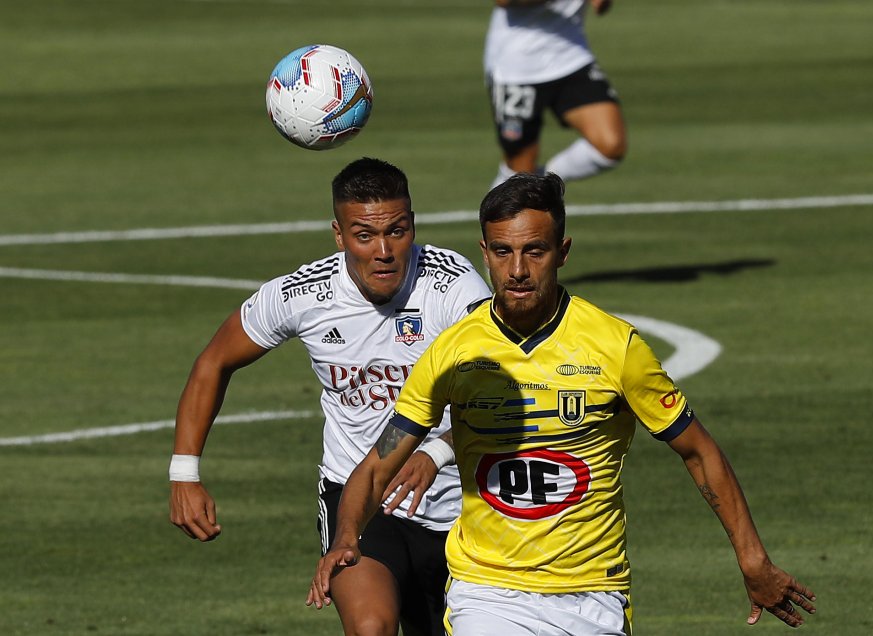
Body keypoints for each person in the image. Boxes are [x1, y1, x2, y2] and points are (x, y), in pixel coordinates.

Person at [310, 173, 817, 634]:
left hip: (593, 595)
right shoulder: (453, 352)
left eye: (535, 251)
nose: (517, 270)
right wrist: (347, 537)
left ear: (563, 251)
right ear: (484, 252)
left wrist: (752, 559)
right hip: (487, 594)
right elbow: (378, 466)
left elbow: (698, 452)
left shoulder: (615, 347)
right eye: (503, 252)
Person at [168, 157, 491, 636]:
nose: (384, 251)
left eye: (397, 231)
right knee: (371, 627)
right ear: (339, 236)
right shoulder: (303, 294)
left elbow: (496, 393)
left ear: (413, 225)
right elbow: (213, 362)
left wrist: (437, 451)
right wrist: (184, 474)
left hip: (463, 502)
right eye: (364, 236)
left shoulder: (453, 286)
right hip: (360, 498)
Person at [485, 0, 627, 188]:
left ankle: (545, 182)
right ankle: (509, 198)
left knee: (610, 145)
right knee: (520, 172)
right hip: (517, 66)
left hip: (571, 57)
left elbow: (600, 7)